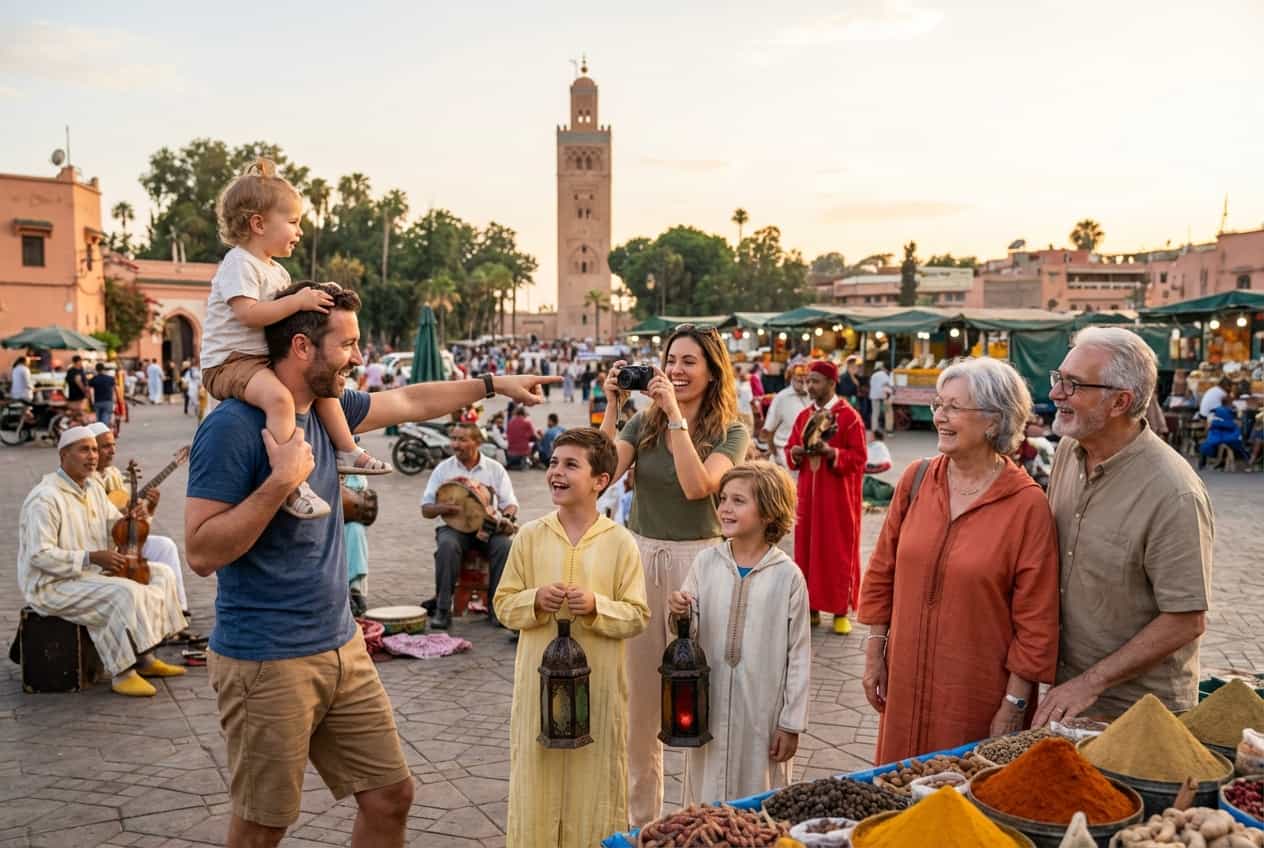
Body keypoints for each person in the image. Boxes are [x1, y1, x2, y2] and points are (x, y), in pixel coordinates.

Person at [184, 280, 557, 846]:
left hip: (343, 645)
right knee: (264, 824)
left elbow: (410, 401)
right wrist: (281, 482)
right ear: (303, 347)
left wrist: (492, 383)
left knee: (389, 796)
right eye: (347, 345)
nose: (359, 358)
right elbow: (201, 551)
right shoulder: (233, 427)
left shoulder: (326, 409)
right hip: (266, 659)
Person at [858, 358, 1060, 763]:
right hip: (905, 679)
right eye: (938, 404)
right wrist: (874, 654)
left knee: (960, 789)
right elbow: (882, 571)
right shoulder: (916, 479)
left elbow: (1036, 619)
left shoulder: (1027, 505)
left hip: (975, 693)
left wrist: (1015, 704)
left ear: (993, 420)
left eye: (954, 407)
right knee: (898, 785)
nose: (939, 417)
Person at [600, 324, 749, 826]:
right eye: (671, 360)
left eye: (689, 361)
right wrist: (612, 408)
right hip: (641, 561)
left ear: (712, 372)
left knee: (703, 696)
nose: (677, 370)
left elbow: (697, 486)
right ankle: (641, 820)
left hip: (701, 565)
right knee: (639, 701)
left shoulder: (731, 430)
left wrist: (675, 419)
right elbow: (600, 473)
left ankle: (702, 817)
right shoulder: (642, 424)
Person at [1034, 328, 1215, 726]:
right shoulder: (1069, 450)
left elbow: (1186, 619)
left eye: (1073, 384)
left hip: (1139, 711)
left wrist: (1091, 682)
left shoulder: (1174, 492)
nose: (1055, 393)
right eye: (1058, 378)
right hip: (1067, 693)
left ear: (1120, 401)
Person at [200, 158, 391, 522]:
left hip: (259, 360)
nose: (299, 231)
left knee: (322, 387)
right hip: (229, 363)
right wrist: (298, 301)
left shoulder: (277, 271)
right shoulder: (239, 263)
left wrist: (319, 295)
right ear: (258, 224)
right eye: (292, 222)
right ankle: (290, 482)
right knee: (280, 400)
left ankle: (347, 449)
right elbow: (249, 314)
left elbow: (290, 315)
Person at [495, 428, 650, 848]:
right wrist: (535, 599)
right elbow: (503, 605)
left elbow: (637, 615)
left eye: (570, 465)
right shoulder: (530, 536)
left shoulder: (620, 542)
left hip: (598, 689)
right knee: (536, 777)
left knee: (596, 780)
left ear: (601, 481)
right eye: (553, 463)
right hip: (538, 690)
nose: (556, 473)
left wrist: (598, 606)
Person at [668, 462, 810, 805]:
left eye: (738, 501)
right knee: (704, 797)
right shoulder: (706, 563)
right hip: (709, 705)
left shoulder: (788, 576)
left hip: (762, 713)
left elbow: (799, 654)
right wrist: (681, 613)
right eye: (723, 499)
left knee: (759, 801)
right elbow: (688, 630)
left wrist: (790, 723)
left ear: (768, 512)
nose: (726, 508)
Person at [18, 426, 188, 697]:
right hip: (52, 584)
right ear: (64, 455)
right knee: (124, 592)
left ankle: (145, 659)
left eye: (95, 450)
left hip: (90, 574)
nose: (93, 456)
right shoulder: (45, 498)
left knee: (161, 575)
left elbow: (116, 527)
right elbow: (38, 556)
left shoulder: (94, 488)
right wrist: (91, 557)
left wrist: (139, 515)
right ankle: (123, 673)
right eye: (84, 450)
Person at [786, 360, 868, 635]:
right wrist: (795, 452)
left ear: (832, 383)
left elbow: (859, 458)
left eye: (815, 381)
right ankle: (810, 608)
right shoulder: (803, 416)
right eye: (808, 381)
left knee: (837, 552)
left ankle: (840, 611)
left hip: (838, 502)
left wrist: (832, 453)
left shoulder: (849, 417)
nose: (809, 386)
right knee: (807, 551)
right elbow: (790, 448)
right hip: (808, 501)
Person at [420, 422, 519, 630]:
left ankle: (497, 609)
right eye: (454, 439)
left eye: (462, 440)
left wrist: (506, 518)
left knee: (505, 546)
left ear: (477, 442)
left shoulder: (494, 469)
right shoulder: (443, 469)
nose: (455, 444)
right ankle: (442, 610)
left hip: (487, 527)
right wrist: (444, 507)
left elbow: (509, 503)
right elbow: (426, 509)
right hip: (453, 528)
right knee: (447, 546)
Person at [89, 422, 193, 617]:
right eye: (105, 446)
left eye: (113, 445)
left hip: (123, 543)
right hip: (99, 548)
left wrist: (149, 509)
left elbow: (134, 524)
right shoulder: (85, 480)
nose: (112, 451)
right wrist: (119, 516)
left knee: (166, 546)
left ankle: (179, 609)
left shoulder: (114, 475)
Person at [759, 363, 811, 469]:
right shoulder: (781, 398)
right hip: (784, 453)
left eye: (805, 375)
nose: (802, 379)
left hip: (808, 453)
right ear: (790, 377)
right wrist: (776, 456)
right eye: (799, 375)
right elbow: (769, 430)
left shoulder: (813, 396)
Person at [343, 472, 371, 617]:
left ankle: (355, 588)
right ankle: (343, 592)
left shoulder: (350, 468)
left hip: (347, 517)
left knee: (356, 530)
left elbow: (360, 485)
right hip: (322, 517)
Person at [1198, 392, 1248, 469]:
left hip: (1215, 439)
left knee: (1205, 446)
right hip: (1229, 438)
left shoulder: (1215, 411)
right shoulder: (1233, 411)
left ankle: (1204, 464)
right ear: (1230, 402)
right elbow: (1237, 425)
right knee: (1239, 446)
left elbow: (1210, 425)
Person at [505, 406, 538, 470]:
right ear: (524, 414)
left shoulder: (510, 423)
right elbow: (533, 436)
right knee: (537, 443)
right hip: (523, 451)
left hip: (510, 451)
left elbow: (507, 434)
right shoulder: (527, 423)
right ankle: (530, 459)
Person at [89, 362, 116, 427]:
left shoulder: (93, 379)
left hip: (97, 401)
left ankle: (100, 431)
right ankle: (104, 430)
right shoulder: (110, 378)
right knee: (105, 418)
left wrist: (91, 401)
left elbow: (90, 391)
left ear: (96, 370)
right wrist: (114, 400)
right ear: (103, 369)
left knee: (98, 420)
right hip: (108, 401)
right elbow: (113, 390)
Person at [869, 361, 893, 433]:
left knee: (875, 413)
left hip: (874, 395)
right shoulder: (885, 376)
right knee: (887, 412)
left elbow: (870, 383)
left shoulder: (874, 375)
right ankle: (888, 429)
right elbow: (888, 385)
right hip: (883, 395)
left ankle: (874, 429)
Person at [736, 364, 756, 432]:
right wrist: (755, 405)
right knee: (749, 428)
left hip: (739, 410)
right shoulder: (747, 387)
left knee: (741, 428)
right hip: (747, 411)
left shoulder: (738, 385)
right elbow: (750, 399)